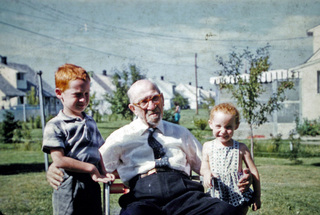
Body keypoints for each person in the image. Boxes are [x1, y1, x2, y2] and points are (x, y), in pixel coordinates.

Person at [47, 79, 251, 215]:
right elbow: (93, 161)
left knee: (226, 212)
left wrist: (237, 176)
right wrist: (58, 165)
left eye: (155, 98)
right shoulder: (120, 137)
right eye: (144, 102)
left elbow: (205, 165)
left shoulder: (181, 133)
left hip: (184, 194)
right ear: (133, 108)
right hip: (143, 197)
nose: (152, 105)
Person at [42, 64, 115, 215]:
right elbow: (59, 160)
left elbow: (99, 150)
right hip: (69, 182)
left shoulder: (90, 121)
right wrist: (92, 168)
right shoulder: (55, 125)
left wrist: (103, 170)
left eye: (87, 93)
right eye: (77, 94)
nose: (83, 99)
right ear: (59, 93)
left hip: (91, 182)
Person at [200, 103, 261, 214]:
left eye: (228, 127)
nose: (223, 131)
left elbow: (254, 172)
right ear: (211, 124)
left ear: (236, 126)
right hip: (217, 193)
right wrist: (207, 173)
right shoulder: (207, 146)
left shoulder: (241, 148)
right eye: (218, 126)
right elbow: (203, 168)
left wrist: (257, 196)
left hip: (238, 193)